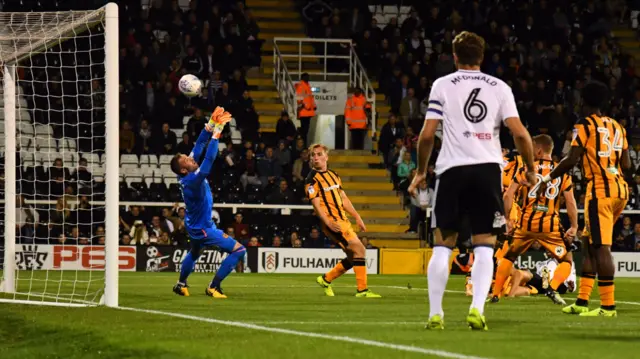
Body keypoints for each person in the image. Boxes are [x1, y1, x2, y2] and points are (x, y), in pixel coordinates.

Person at [407, 31, 535, 331]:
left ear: (454, 56)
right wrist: (529, 168)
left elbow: (427, 135)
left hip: (452, 170)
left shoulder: (442, 85)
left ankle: (435, 314)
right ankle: (477, 309)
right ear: (482, 57)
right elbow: (520, 134)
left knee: (443, 245)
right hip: (488, 171)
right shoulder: (500, 87)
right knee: (485, 246)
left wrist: (421, 171)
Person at [539, 81, 631, 317]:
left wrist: (547, 178)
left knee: (601, 248)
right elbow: (627, 164)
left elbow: (572, 159)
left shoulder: (584, 125)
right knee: (589, 245)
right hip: (619, 188)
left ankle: (608, 307)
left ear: (584, 101)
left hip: (600, 190)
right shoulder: (618, 127)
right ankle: (582, 302)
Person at [492, 134, 578, 306]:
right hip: (550, 225)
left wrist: (508, 218)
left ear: (538, 150)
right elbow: (570, 201)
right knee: (567, 261)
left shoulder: (525, 170)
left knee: (509, 257)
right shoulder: (562, 173)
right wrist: (574, 226)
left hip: (525, 224)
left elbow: (508, 195)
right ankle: (552, 288)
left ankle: (495, 295)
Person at [170, 107, 246, 299]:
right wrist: (218, 133)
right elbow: (210, 157)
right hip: (204, 228)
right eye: (187, 159)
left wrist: (210, 125)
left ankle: (180, 284)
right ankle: (214, 286)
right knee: (239, 250)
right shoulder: (192, 181)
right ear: (183, 170)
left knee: (194, 253)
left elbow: (200, 143)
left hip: (194, 226)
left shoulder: (189, 171)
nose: (191, 158)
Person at [306, 143, 381, 298]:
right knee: (360, 250)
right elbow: (316, 205)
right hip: (333, 223)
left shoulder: (334, 175)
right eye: (313, 155)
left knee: (354, 256)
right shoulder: (311, 179)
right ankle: (362, 290)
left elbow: (343, 198)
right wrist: (328, 223)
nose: (316, 157)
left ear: (326, 157)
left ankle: (326, 279)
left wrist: (357, 216)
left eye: (319, 154)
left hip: (343, 220)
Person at [295, 73, 316, 142]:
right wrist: (304, 105)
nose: (308, 78)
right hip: (304, 111)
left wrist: (314, 106)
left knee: (306, 130)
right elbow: (299, 98)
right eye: (307, 77)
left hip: (308, 111)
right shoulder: (301, 86)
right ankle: (302, 143)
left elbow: (310, 98)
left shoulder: (307, 86)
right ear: (303, 78)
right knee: (304, 130)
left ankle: (303, 143)